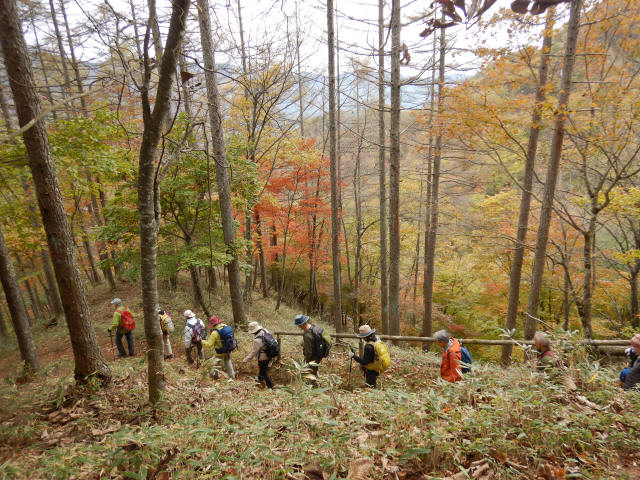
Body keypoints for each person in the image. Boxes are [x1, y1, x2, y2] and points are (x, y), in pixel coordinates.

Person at [293, 314, 331, 384]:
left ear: (302, 324)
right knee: (314, 371)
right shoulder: (313, 327)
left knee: (310, 374)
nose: (298, 327)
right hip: (318, 355)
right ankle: (315, 384)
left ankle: (313, 386)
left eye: (299, 325)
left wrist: (306, 361)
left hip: (313, 358)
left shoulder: (307, 335)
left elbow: (308, 352)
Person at [241, 321, 276, 389]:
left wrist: (245, 360)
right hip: (271, 353)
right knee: (262, 370)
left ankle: (271, 386)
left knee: (264, 372)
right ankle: (260, 381)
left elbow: (253, 352)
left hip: (263, 358)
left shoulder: (257, 340)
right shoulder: (265, 330)